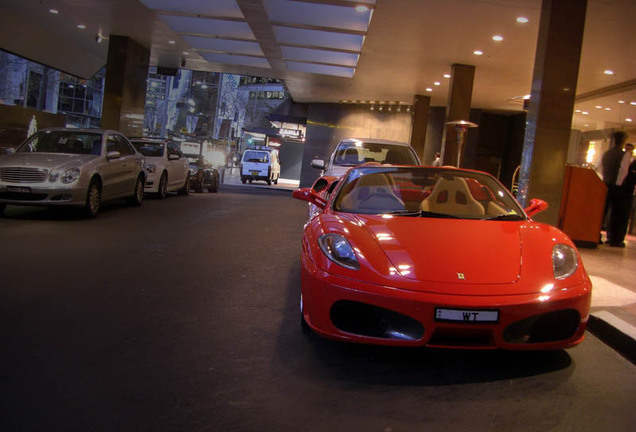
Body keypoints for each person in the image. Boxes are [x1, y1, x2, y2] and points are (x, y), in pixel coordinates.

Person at [601, 131, 628, 244]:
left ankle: (596, 235)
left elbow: (600, 168)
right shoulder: (624, 155)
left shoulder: (606, 153)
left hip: (605, 185)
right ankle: (613, 238)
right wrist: (619, 185)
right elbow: (623, 171)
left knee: (602, 212)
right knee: (616, 213)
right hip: (617, 187)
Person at [607, 143, 635, 247]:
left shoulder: (631, 162)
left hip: (625, 192)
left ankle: (616, 238)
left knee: (620, 215)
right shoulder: (623, 159)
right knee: (617, 215)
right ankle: (613, 237)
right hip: (622, 191)